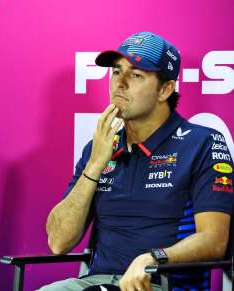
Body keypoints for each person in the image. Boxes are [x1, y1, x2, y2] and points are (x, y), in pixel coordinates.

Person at [40, 32, 233, 291]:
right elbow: (58, 242)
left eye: (136, 75)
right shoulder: (99, 148)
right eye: (117, 72)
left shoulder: (204, 143)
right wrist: (94, 166)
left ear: (165, 89)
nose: (120, 83)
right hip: (96, 283)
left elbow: (214, 240)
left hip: (159, 283)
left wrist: (153, 258)